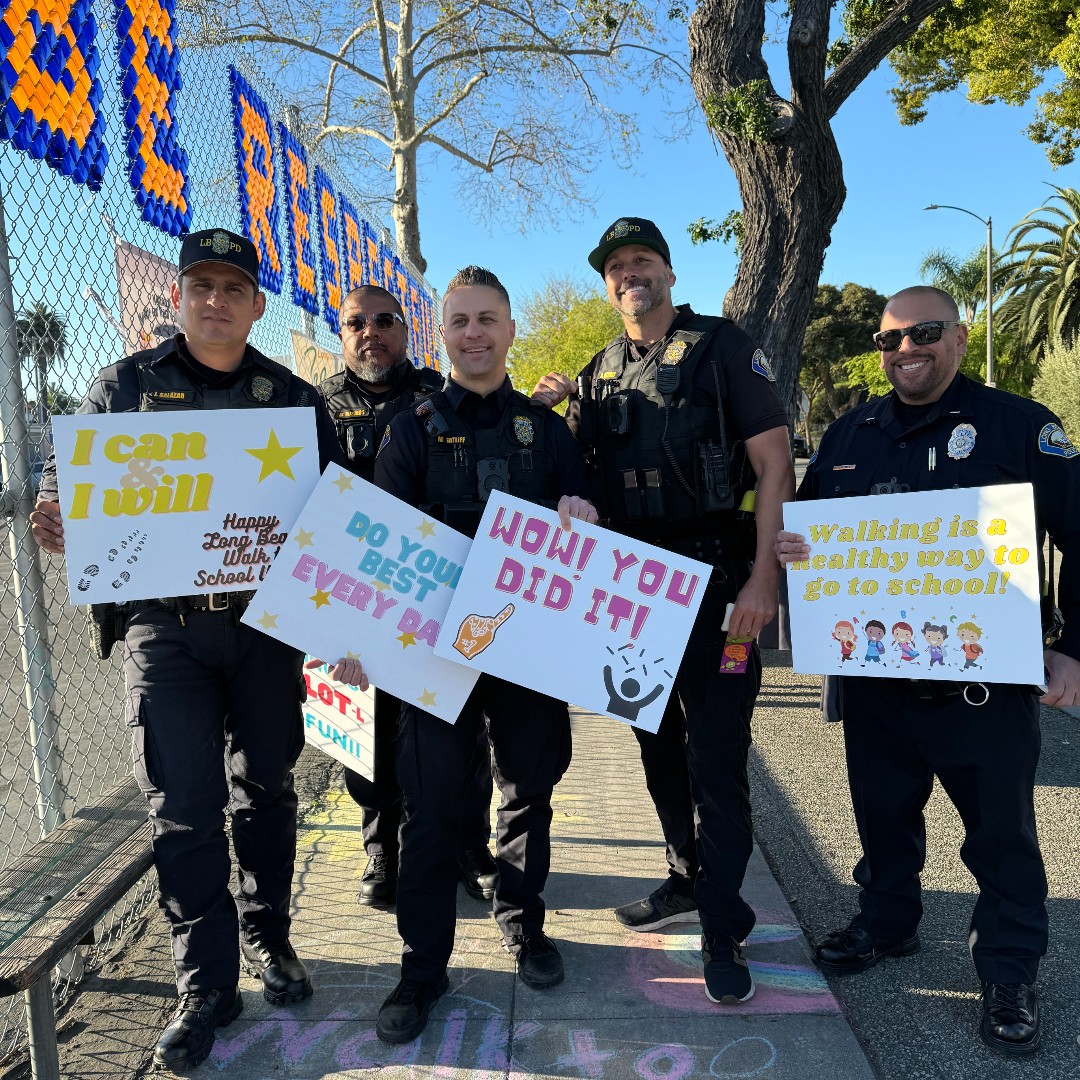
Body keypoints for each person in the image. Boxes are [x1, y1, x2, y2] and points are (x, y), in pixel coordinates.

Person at [30, 229, 363, 1072]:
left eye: (233, 287)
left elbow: (333, 521)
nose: (215, 299)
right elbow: (69, 494)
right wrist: (57, 515)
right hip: (164, 629)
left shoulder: (291, 397)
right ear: (177, 297)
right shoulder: (123, 386)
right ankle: (204, 983)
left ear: (257, 304)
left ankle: (268, 938)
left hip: (262, 629)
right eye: (200, 285)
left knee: (267, 789)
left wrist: (341, 629)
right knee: (181, 805)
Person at [776, 285, 1080, 1057]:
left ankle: (1009, 972)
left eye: (925, 333)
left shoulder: (1018, 427)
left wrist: (1072, 645)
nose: (905, 350)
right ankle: (888, 923)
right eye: (890, 339)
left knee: (1002, 839)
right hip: (876, 681)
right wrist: (797, 556)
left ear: (959, 334)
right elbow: (810, 538)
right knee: (883, 819)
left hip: (984, 687)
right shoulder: (850, 434)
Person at [535, 217, 793, 1005]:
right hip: (634, 594)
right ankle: (686, 875)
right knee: (657, 748)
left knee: (716, 759)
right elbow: (568, 477)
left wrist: (762, 583)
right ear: (608, 285)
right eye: (616, 266)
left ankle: (722, 924)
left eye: (641, 260)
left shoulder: (721, 346)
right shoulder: (597, 369)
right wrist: (554, 412)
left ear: (669, 274)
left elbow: (773, 460)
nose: (629, 274)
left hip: (719, 585)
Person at [372, 266, 597, 1044]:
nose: (474, 333)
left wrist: (580, 514)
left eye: (488, 319)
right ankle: (421, 968)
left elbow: (584, 533)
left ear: (509, 330)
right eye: (460, 320)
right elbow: (381, 550)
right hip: (433, 648)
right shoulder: (411, 427)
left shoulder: (551, 433)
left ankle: (523, 924)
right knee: (431, 811)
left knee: (528, 791)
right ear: (444, 334)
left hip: (529, 647)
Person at [318, 284, 498, 910]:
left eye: (385, 321)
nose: (371, 332)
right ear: (341, 334)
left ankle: (470, 843)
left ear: (407, 330)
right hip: (344, 592)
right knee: (358, 724)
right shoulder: (312, 409)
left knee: (456, 723)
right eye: (355, 323)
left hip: (434, 590)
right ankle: (380, 849)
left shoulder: (435, 399)